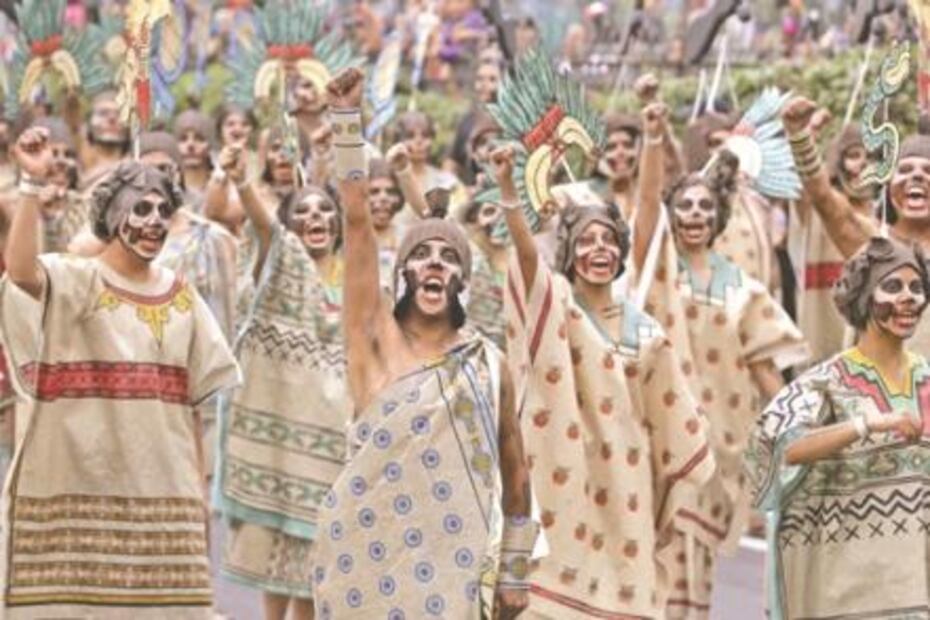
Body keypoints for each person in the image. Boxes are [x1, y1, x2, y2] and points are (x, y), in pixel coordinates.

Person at [313, 67, 533, 620]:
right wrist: (346, 121)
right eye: (422, 255)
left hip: (453, 571)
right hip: (361, 564)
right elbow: (356, 222)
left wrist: (514, 569)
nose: (435, 264)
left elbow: (516, 470)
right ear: (403, 275)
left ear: (463, 281)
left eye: (449, 258)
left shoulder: (488, 365)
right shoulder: (373, 341)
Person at [0, 127, 239, 618]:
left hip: (162, 498)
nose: (155, 221)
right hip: (81, 493)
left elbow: (192, 405)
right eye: (141, 208)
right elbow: (21, 272)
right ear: (111, 215)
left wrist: (197, 492)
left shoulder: (181, 296)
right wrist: (31, 183)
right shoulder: (77, 279)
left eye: (164, 211)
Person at [492, 137, 716, 618]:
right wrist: (511, 191)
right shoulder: (554, 305)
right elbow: (528, 262)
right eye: (587, 241)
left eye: (609, 241)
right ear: (569, 252)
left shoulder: (646, 332)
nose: (600, 250)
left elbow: (675, 419)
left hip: (626, 489)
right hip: (558, 481)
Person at [633, 103, 808, 618]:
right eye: (684, 206)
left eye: (704, 207)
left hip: (719, 449)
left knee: (698, 572)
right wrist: (653, 138)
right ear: (671, 215)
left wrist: (802, 428)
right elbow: (645, 205)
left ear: (718, 217)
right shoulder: (656, 273)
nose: (694, 215)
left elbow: (765, 370)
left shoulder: (743, 289)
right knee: (657, 559)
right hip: (660, 440)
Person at [748, 236, 930, 619]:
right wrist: (865, 424)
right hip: (846, 592)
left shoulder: (926, 379)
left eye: (917, 287)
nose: (909, 298)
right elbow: (779, 448)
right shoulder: (827, 382)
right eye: (893, 286)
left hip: (917, 589)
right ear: (863, 297)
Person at [213, 141, 349, 620]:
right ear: (290, 225)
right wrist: (244, 181)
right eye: (303, 211)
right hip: (278, 438)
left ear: (339, 222)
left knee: (316, 558)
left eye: (325, 209)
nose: (316, 217)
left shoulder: (360, 275)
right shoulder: (281, 262)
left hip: (334, 438)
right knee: (275, 556)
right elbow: (266, 228)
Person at [783, 96, 930, 356]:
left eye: (928, 171)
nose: (917, 176)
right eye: (905, 169)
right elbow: (824, 200)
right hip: (877, 380)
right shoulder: (873, 243)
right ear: (888, 187)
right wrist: (800, 139)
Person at [790, 119, 876, 364]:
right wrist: (805, 138)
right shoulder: (819, 208)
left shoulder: (884, 210)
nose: (862, 164)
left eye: (870, 157)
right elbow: (806, 189)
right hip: (826, 326)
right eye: (854, 155)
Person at [174, 109, 216, 209]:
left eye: (199, 138)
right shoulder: (168, 189)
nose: (190, 145)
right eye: (183, 139)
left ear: (210, 145)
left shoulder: (222, 186)